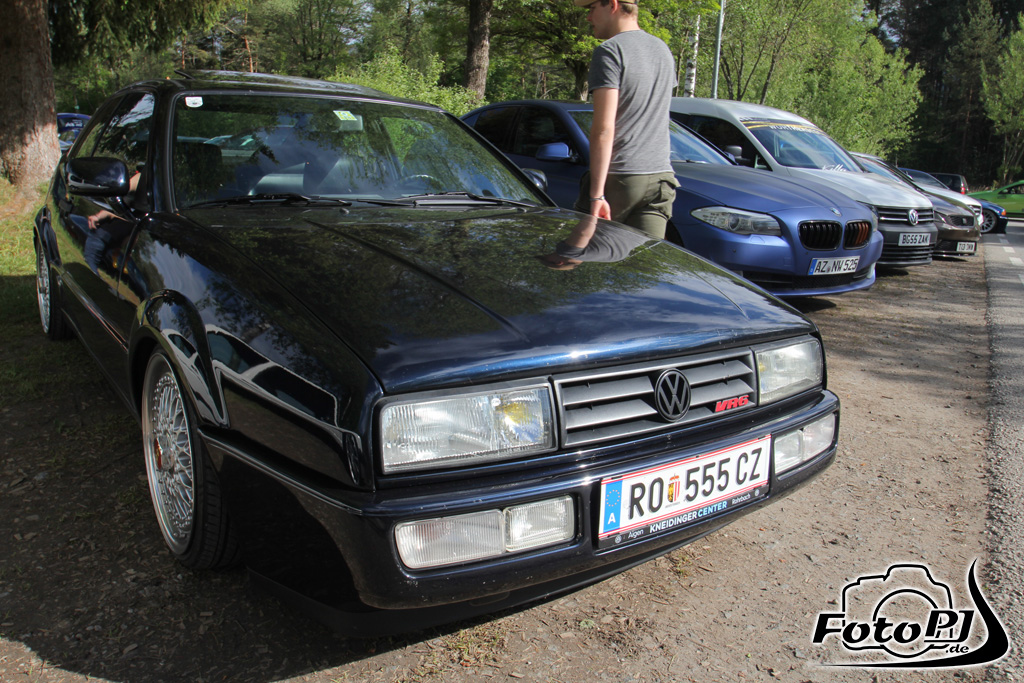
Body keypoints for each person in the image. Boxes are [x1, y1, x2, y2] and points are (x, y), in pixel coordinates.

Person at [572, 0, 679, 239]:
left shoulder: (610, 50)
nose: (588, 17)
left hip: (620, 178)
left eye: (591, 9)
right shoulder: (662, 50)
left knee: (581, 257)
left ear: (612, 5)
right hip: (660, 178)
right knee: (642, 261)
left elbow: (603, 129)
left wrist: (596, 195)